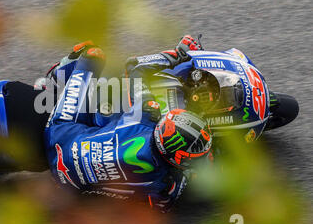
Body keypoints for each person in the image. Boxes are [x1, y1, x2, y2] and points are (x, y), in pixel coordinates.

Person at [44, 36, 212, 212]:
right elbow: (162, 206)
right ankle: (56, 85)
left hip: (61, 135)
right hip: (69, 184)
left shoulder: (146, 118)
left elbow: (134, 67)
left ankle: (57, 81)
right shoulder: (164, 185)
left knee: (92, 55)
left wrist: (179, 54)